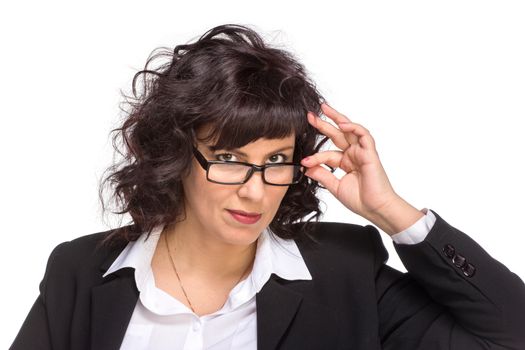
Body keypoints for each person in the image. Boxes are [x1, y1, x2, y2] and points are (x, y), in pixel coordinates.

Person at [10, 24, 525, 350]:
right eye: (230, 159)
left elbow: (510, 334)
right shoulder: (80, 272)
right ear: (176, 155)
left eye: (275, 160)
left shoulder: (345, 275)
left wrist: (391, 212)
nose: (256, 191)